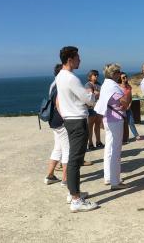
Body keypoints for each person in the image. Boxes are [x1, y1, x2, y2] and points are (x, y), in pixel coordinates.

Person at [55, 46, 98, 213]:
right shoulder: (71, 78)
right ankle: (75, 199)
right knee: (75, 160)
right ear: (70, 59)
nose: (80, 60)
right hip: (77, 120)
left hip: (69, 119)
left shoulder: (60, 76)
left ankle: (73, 193)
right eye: (78, 58)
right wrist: (91, 94)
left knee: (74, 158)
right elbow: (88, 100)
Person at [94, 64, 130, 191]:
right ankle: (115, 181)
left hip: (107, 118)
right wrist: (125, 104)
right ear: (114, 73)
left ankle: (108, 177)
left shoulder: (105, 84)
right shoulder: (114, 86)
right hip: (115, 119)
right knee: (115, 150)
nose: (120, 74)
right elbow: (123, 101)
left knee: (109, 149)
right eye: (119, 72)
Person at [44, 64, 69, 187]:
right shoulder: (60, 86)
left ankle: (50, 175)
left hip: (53, 121)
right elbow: (59, 105)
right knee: (67, 149)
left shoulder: (53, 85)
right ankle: (65, 178)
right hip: (61, 121)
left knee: (58, 148)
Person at [118, 72, 142, 143]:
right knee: (123, 124)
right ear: (120, 78)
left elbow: (130, 97)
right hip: (121, 108)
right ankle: (124, 139)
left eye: (126, 77)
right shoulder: (117, 87)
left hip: (128, 107)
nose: (125, 78)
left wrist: (129, 105)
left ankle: (136, 135)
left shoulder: (128, 86)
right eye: (123, 77)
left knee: (131, 122)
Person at [85, 70, 104, 150]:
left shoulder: (99, 84)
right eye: (94, 75)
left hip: (99, 107)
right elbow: (91, 94)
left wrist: (97, 93)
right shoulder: (88, 85)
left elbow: (100, 93)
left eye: (97, 75)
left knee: (98, 125)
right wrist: (96, 93)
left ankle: (98, 141)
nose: (96, 76)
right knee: (90, 126)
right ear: (90, 76)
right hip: (91, 108)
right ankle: (90, 143)